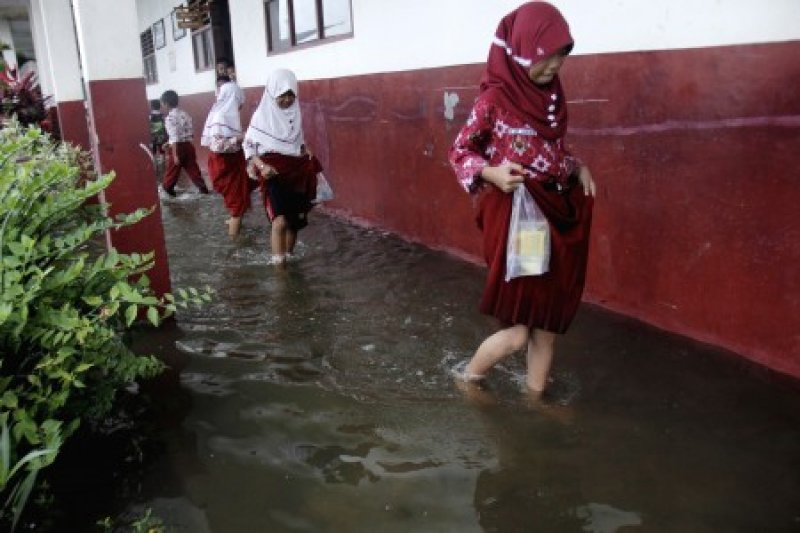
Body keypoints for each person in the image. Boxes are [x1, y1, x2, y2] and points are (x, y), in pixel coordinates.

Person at [448, 1, 596, 396]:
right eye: (544, 59)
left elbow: (553, 154)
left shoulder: (550, 102)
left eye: (560, 60)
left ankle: (535, 398)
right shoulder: (494, 100)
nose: (552, 69)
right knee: (517, 330)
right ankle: (469, 379)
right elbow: (460, 151)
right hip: (517, 220)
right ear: (520, 51)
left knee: (545, 326)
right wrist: (491, 172)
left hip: (549, 215)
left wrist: (577, 167)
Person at [243, 68, 322, 266]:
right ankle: (280, 272)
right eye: (282, 95)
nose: (287, 100)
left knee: (293, 224)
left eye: (291, 95)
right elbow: (249, 146)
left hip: (296, 173)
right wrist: (262, 166)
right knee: (279, 221)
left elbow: (298, 141)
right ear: (272, 93)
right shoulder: (260, 117)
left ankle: (287, 259)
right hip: (273, 173)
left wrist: (306, 149)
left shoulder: (295, 115)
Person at [201, 76, 254, 237]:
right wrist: (241, 137)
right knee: (237, 204)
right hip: (224, 165)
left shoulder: (227, 114)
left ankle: (234, 223)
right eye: (239, 100)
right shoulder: (222, 116)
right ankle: (235, 244)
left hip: (232, 163)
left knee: (241, 196)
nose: (241, 104)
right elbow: (218, 146)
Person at [160, 89, 209, 196]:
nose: (162, 105)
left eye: (162, 103)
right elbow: (187, 133)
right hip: (188, 146)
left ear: (166, 104)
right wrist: (168, 143)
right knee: (194, 171)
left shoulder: (169, 118)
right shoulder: (185, 114)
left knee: (171, 175)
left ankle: (170, 196)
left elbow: (174, 137)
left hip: (177, 148)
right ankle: (204, 191)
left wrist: (175, 154)